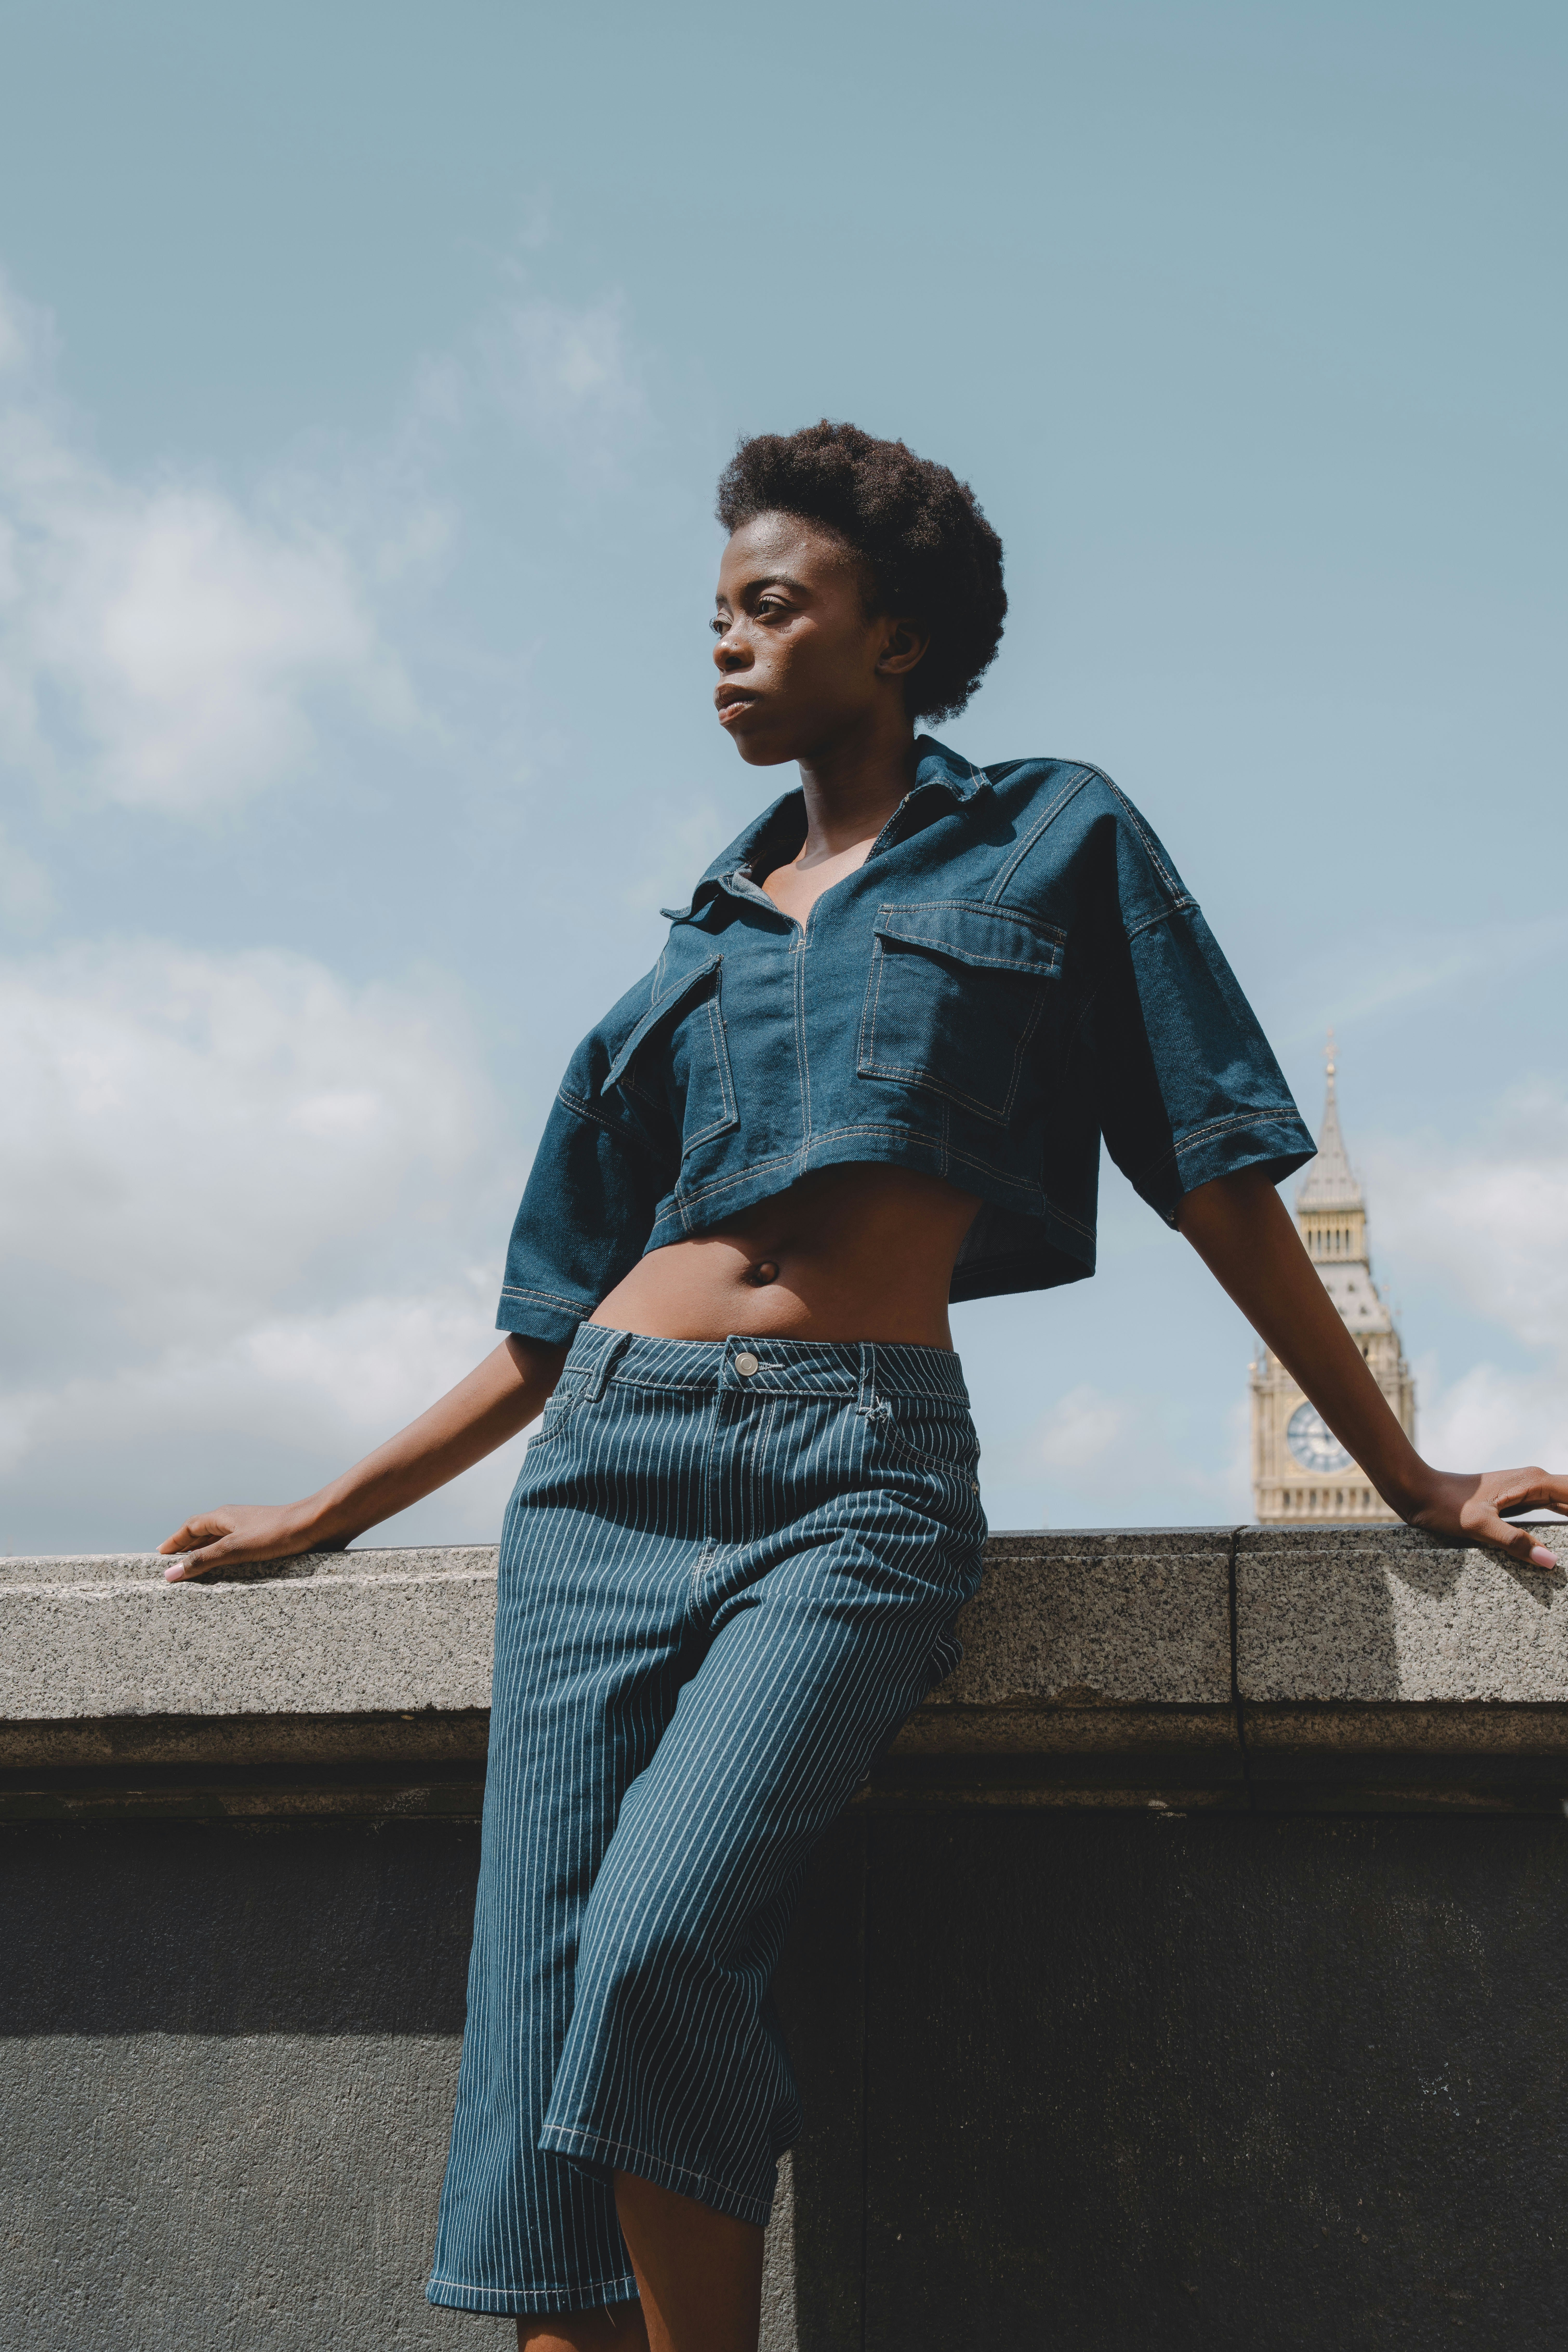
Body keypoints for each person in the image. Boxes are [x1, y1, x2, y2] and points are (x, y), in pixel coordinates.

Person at [161, 421, 1567, 2352]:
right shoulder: (685, 954)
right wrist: (324, 1513)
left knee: (655, 1956)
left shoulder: (1055, 832)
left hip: (854, 1481)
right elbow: (545, 1319)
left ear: (892, 635)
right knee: (540, 2008)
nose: (723, 646)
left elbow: (1221, 1171)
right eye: (714, 614)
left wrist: (1408, 1478)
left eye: (769, 606)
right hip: (599, 1485)